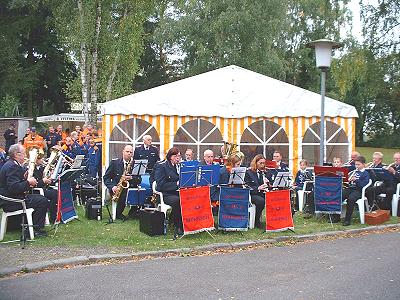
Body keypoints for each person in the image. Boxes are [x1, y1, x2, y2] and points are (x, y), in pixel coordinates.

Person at [0, 144, 49, 237]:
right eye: (23, 153)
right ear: (16, 154)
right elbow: (13, 187)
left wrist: (26, 178)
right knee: (42, 201)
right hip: (11, 201)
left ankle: (31, 226)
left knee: (39, 198)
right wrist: (28, 182)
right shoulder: (12, 166)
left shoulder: (12, 164)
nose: (25, 156)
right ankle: (34, 229)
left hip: (12, 198)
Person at [103, 145, 141, 220]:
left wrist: (131, 177)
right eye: (127, 151)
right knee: (124, 193)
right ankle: (118, 213)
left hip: (130, 186)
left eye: (131, 152)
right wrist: (112, 186)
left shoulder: (135, 164)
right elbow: (106, 177)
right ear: (123, 152)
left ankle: (133, 212)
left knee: (140, 192)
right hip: (116, 188)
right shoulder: (114, 163)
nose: (129, 153)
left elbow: (139, 179)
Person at [154, 147, 183, 234]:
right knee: (178, 201)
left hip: (177, 192)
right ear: (170, 157)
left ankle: (186, 223)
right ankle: (178, 225)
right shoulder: (162, 166)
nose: (178, 158)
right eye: (176, 156)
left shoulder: (179, 166)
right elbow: (160, 185)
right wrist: (176, 184)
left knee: (189, 198)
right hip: (166, 194)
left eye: (179, 156)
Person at [341, 156, 371, 226]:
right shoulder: (354, 172)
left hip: (359, 191)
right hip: (351, 188)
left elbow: (363, 185)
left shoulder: (365, 173)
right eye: (355, 164)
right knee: (340, 195)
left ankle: (347, 220)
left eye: (358, 164)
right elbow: (347, 182)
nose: (356, 166)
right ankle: (336, 217)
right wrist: (347, 181)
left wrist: (356, 180)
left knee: (351, 199)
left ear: (363, 164)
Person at [244, 154, 269, 228]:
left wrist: (267, 183)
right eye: (260, 163)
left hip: (261, 193)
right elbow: (247, 186)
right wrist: (258, 188)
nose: (262, 165)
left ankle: (274, 220)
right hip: (252, 194)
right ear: (255, 163)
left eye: (263, 163)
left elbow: (267, 184)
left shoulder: (263, 172)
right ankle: (256, 220)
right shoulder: (248, 172)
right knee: (260, 201)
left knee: (274, 198)